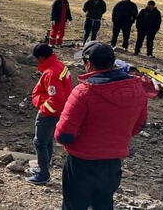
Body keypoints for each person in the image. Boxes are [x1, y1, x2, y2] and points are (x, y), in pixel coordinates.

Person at [55, 41, 148, 210]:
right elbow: (139, 125)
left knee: (74, 205)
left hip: (82, 162)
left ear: (88, 63)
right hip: (112, 162)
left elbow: (63, 134)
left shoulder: (84, 91)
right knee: (104, 204)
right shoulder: (137, 89)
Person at [26, 43, 73, 185]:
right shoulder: (59, 65)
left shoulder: (51, 73)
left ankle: (43, 174)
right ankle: (44, 166)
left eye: (36, 58)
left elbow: (56, 100)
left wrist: (42, 108)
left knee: (39, 142)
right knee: (47, 142)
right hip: (59, 112)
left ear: (41, 57)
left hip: (49, 114)